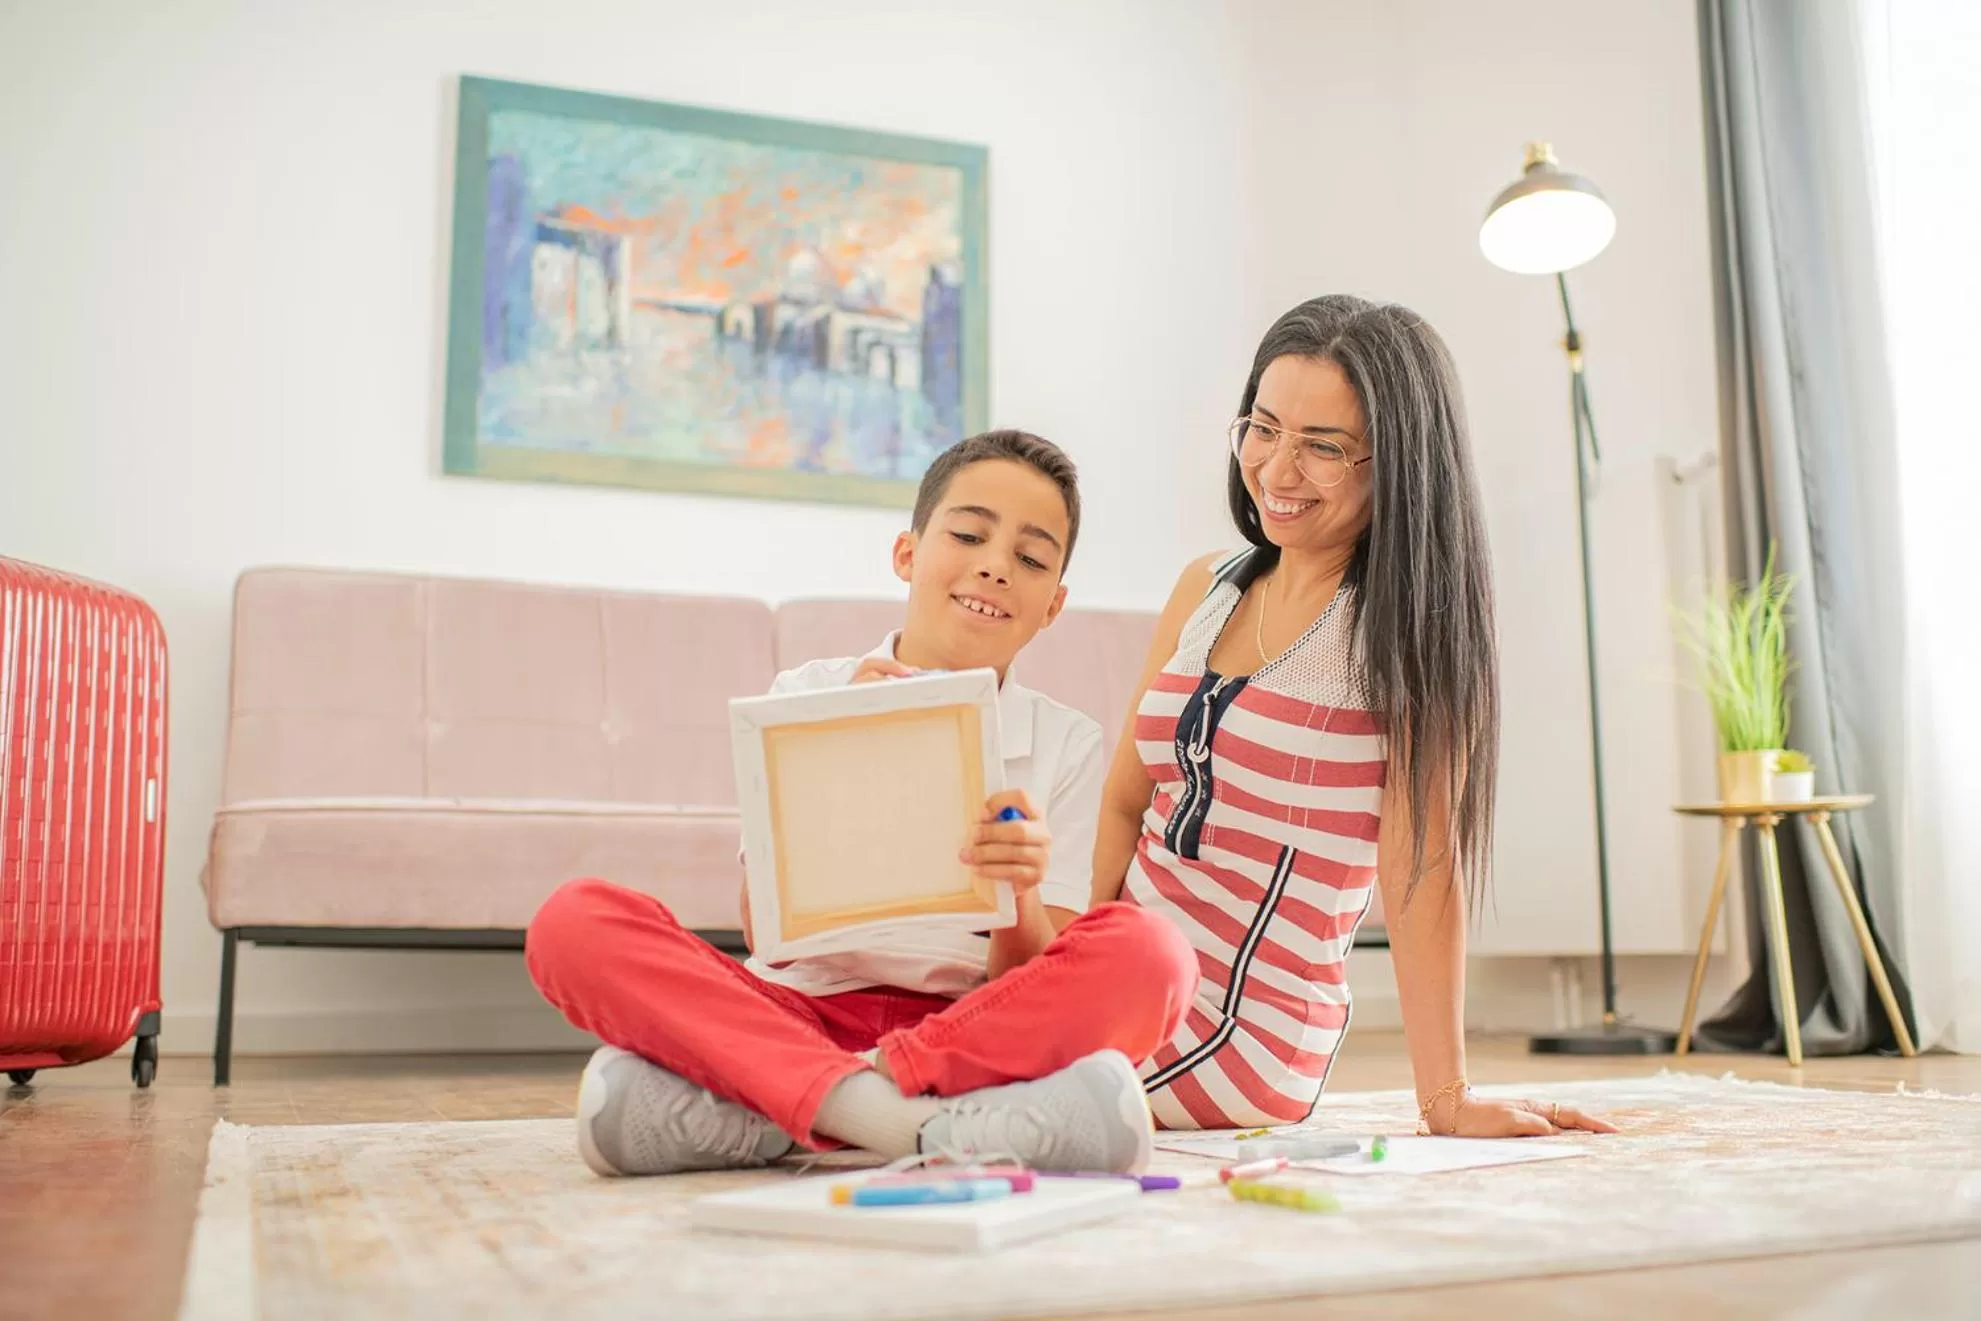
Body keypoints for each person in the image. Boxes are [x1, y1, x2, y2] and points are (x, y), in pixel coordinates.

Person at [526, 430, 1199, 1177]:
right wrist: (833, 766)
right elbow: (768, 936)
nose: (994, 565)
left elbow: (1031, 979)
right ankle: (909, 1123)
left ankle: (781, 1107)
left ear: (1053, 606)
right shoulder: (808, 695)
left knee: (1155, 955)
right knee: (571, 922)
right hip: (796, 1013)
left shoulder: (1066, 740)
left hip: (966, 1029)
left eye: (1031, 559)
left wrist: (1020, 890)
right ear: (907, 553)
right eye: (969, 535)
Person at [1092, 295, 1620, 1138]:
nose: (1276, 470)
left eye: (1324, 448)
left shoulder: (1401, 637)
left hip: (1240, 1034)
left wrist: (1445, 1097)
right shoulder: (1205, 587)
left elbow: (1421, 870)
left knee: (974, 1076)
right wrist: (1067, 962)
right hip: (1113, 986)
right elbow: (1125, 801)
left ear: (1398, 464)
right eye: (1263, 428)